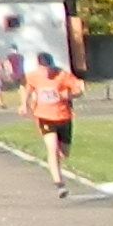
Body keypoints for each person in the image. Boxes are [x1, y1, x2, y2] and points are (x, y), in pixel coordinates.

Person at [21, 51, 82, 192]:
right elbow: (27, 88)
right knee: (52, 148)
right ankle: (59, 183)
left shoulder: (62, 75)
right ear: (39, 67)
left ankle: (58, 162)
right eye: (43, 69)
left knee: (64, 153)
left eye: (49, 68)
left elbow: (79, 90)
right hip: (45, 116)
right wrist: (23, 104)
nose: (46, 72)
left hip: (63, 117)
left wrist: (69, 94)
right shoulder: (33, 76)